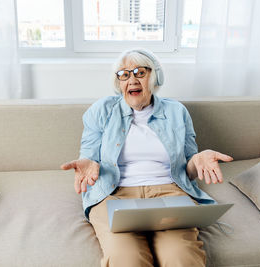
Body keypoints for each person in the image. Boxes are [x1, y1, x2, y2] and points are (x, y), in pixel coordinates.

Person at [61, 48, 233, 267]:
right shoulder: (101, 110)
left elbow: (188, 169)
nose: (131, 79)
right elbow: (88, 155)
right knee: (126, 259)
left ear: (155, 77)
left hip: (169, 192)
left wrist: (196, 161)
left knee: (181, 256)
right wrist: (88, 162)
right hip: (114, 195)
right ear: (118, 82)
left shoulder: (177, 111)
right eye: (124, 74)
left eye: (139, 72)